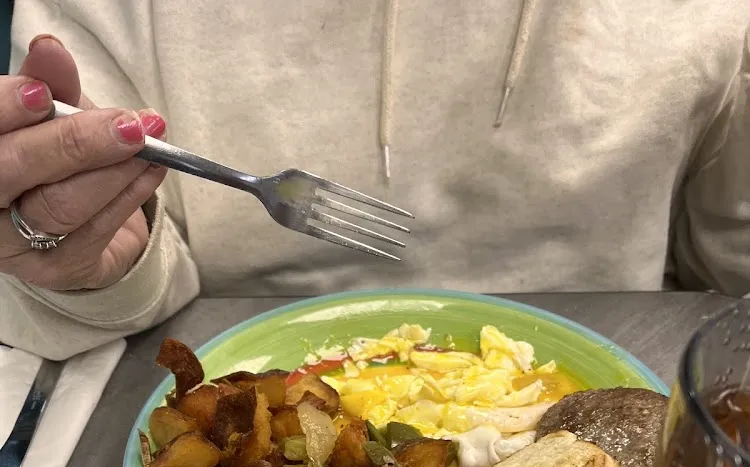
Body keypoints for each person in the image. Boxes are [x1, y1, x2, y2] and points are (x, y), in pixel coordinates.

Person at [1, 1, 750, 361]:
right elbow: (106, 283)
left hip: (624, 404)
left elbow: (733, 287)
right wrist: (93, 264)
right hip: (222, 380)